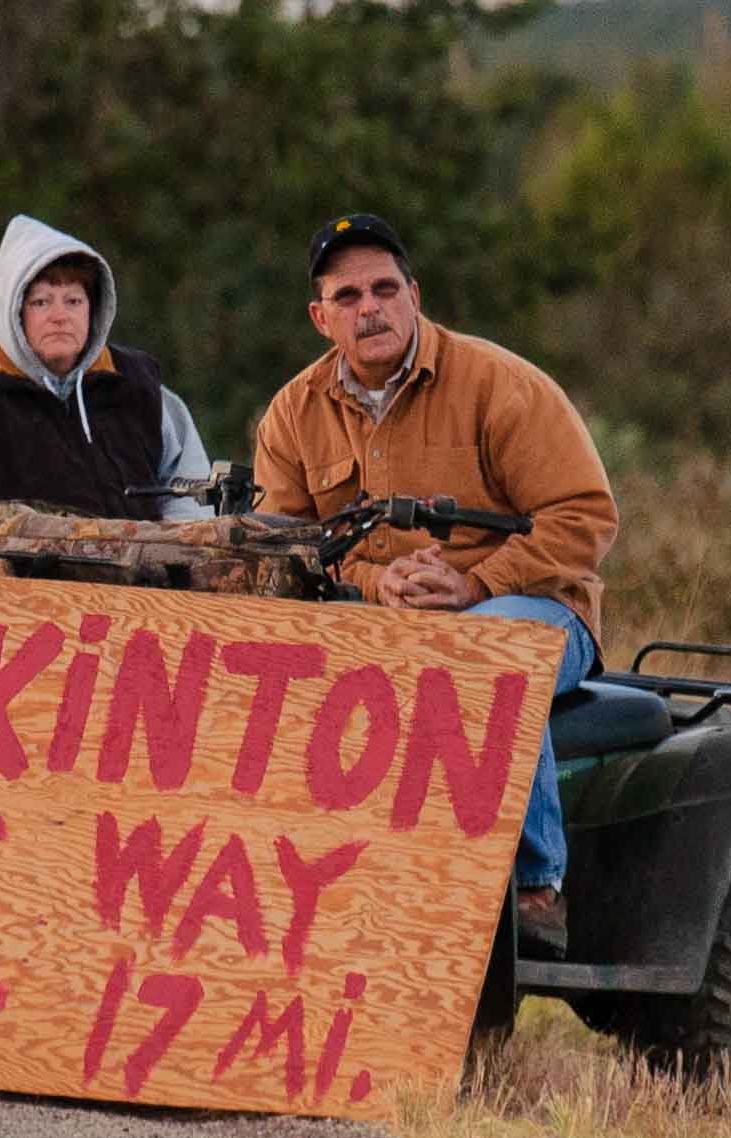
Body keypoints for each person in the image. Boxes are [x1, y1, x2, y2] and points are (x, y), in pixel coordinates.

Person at [252, 213, 618, 955]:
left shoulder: (498, 384)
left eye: (385, 288)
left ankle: (533, 891)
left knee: (483, 656)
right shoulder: (292, 414)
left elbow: (584, 515)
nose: (371, 307)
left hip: (532, 610)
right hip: (378, 619)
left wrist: (475, 584)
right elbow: (286, 551)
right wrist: (372, 581)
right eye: (348, 295)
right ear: (321, 318)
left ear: (415, 295)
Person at [0, 214, 212, 558]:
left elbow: (192, 498)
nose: (60, 316)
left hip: (143, 600)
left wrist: (174, 565)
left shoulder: (138, 386)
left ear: (94, 309)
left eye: (73, 300)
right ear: (14, 311)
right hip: (12, 603)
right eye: (41, 302)